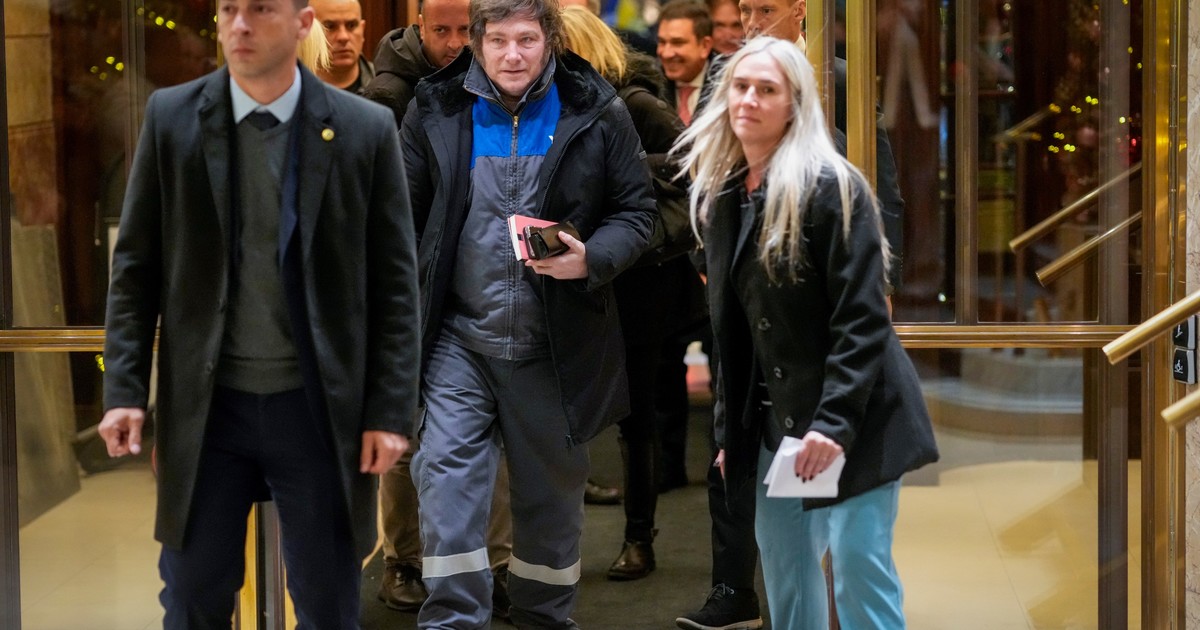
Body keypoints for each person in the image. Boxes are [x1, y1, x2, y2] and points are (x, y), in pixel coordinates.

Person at [97, 0, 420, 626]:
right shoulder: (173, 117)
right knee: (192, 599)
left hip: (316, 408)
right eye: (229, 10)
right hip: (208, 409)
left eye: (261, 9)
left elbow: (395, 285)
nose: (240, 25)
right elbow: (135, 268)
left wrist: (388, 411)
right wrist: (125, 391)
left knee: (327, 602)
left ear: (303, 23)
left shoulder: (364, 128)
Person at [400, 0, 656, 625]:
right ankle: (452, 619)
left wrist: (591, 258)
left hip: (554, 346)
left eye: (526, 40)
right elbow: (401, 221)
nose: (512, 56)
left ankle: (544, 617)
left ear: (550, 41)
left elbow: (638, 213)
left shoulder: (597, 110)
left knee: (550, 507)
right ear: (477, 44)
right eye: (498, 41)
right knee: (446, 488)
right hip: (458, 341)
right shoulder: (435, 108)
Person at [674, 36, 938, 630]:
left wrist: (833, 425)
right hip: (780, 422)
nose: (749, 100)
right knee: (789, 578)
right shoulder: (722, 194)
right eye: (741, 87)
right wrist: (731, 433)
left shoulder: (832, 187)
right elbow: (734, 332)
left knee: (858, 570)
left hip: (858, 419)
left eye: (767, 90)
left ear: (796, 105)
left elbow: (862, 321)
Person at [360, 0, 517, 617]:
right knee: (406, 427)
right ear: (417, 28)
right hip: (412, 285)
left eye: (464, 31)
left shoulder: (495, 79)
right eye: (441, 30)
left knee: (487, 435)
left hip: (478, 284)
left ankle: (492, 562)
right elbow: (385, 206)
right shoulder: (391, 93)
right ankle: (403, 558)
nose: (454, 43)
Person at [559, 4, 704, 582]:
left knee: (636, 414)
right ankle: (556, 543)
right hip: (576, 278)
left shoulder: (636, 103)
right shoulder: (551, 106)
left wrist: (621, 170)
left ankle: (639, 537)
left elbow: (696, 167)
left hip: (642, 282)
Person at [656, 0, 715, 126]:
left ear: (705, 46)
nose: (666, 53)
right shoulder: (650, 85)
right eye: (662, 42)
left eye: (677, 43)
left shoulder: (728, 85)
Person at [310, 0, 374, 90]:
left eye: (351, 25)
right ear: (309, 31)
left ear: (362, 29)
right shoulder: (291, 88)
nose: (343, 37)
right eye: (330, 26)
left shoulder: (385, 87)